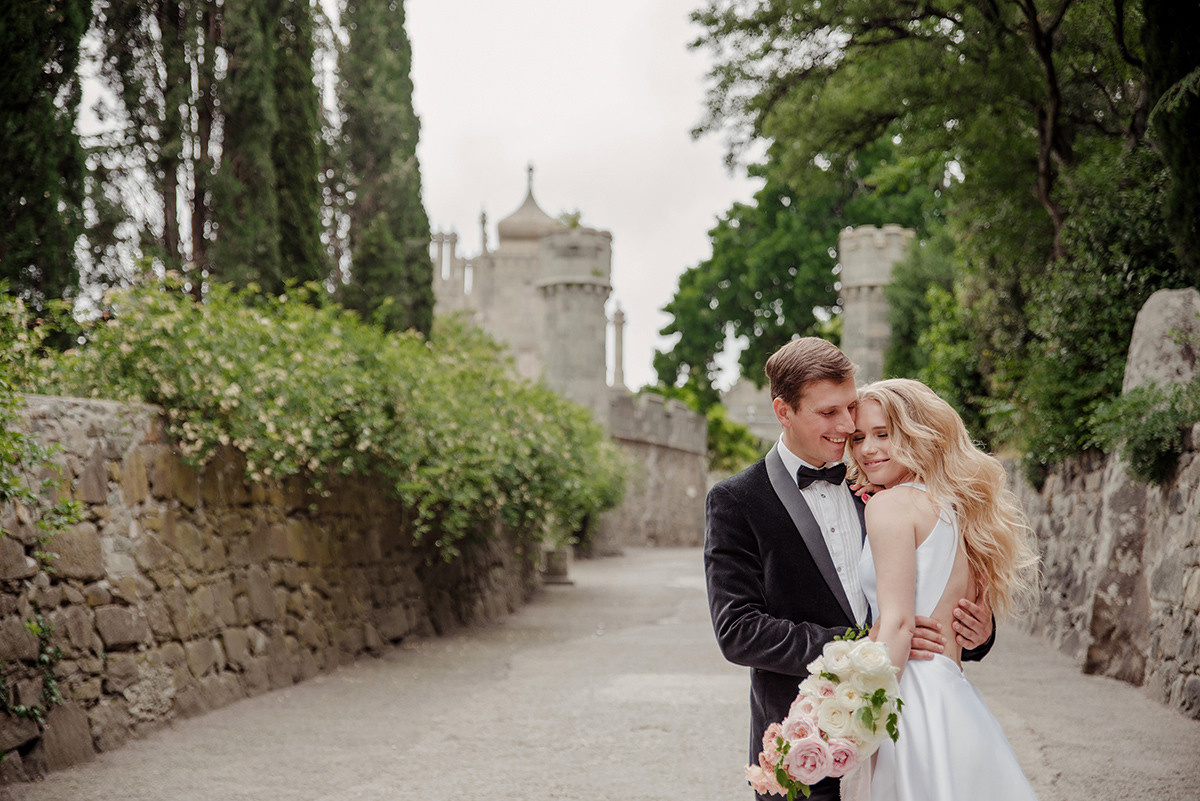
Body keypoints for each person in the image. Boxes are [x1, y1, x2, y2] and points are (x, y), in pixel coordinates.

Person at [704, 338, 996, 801]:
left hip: (905, 732)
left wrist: (978, 632)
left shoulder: (884, 485)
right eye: (828, 413)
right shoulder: (737, 501)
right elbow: (739, 630)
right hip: (809, 737)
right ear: (784, 411)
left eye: (850, 408)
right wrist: (866, 650)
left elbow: (930, 589)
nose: (847, 427)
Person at [849, 377, 1040, 801]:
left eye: (884, 434)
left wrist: (860, 717)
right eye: (859, 437)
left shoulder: (889, 505)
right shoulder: (956, 508)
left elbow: (898, 624)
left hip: (908, 695)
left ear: (918, 433)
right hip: (951, 693)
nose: (867, 449)